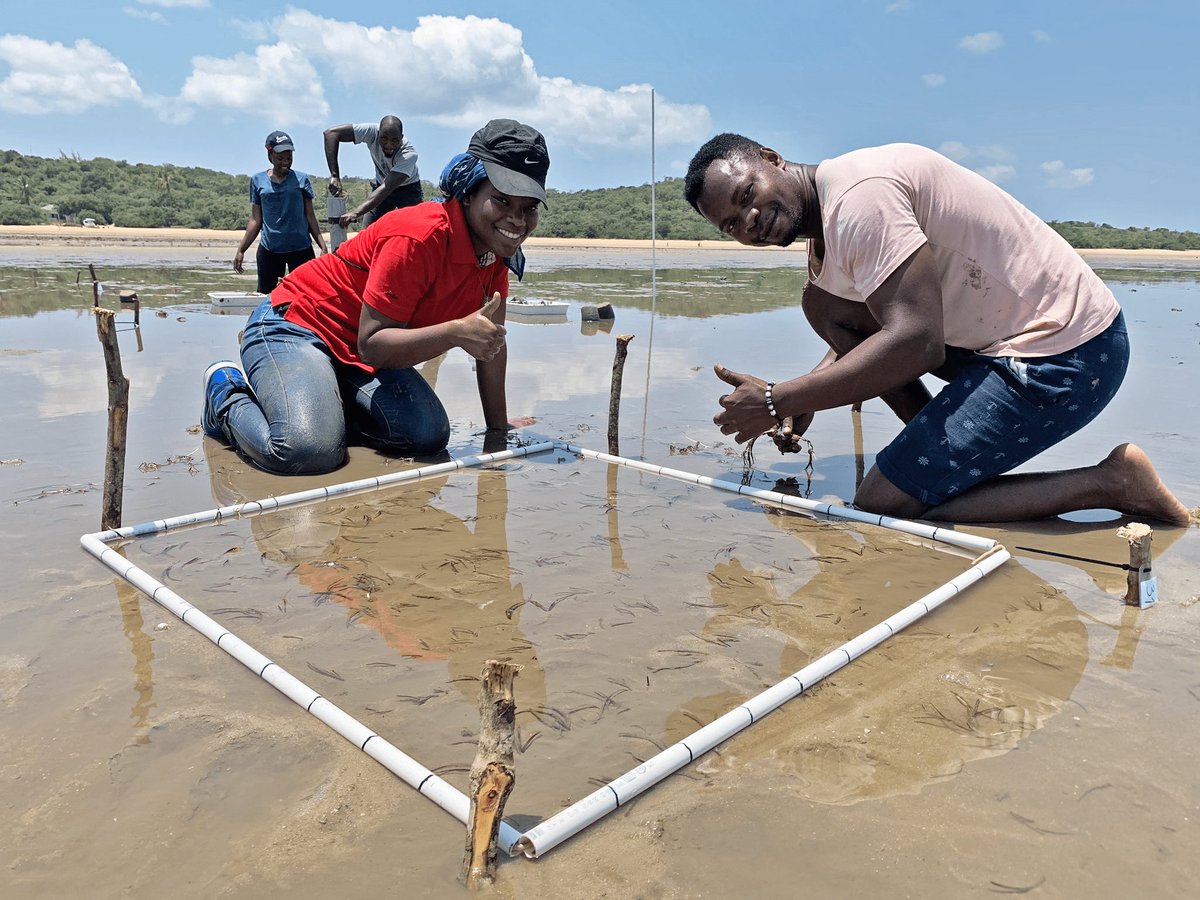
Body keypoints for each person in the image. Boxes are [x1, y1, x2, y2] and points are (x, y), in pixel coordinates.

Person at [684, 134, 1191, 526]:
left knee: (884, 500)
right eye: (731, 224)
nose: (750, 220)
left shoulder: (860, 197)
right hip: (999, 346)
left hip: (1070, 352)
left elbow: (916, 341)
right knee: (823, 307)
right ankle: (933, 461)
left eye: (748, 194)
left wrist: (779, 399)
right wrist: (807, 397)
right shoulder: (830, 245)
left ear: (772, 158)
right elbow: (861, 334)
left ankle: (1112, 483)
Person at [200, 118, 549, 476]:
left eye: (530, 207)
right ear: (468, 191)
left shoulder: (496, 255)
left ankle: (323, 406)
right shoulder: (418, 236)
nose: (517, 220)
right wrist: (453, 333)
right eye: (502, 200)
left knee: (428, 435)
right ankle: (224, 392)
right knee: (308, 451)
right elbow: (373, 344)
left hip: (356, 354)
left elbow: (492, 345)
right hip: (297, 326)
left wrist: (497, 428)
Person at [233, 130, 328, 294]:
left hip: (301, 250)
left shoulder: (302, 179)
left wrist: (322, 246)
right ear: (270, 156)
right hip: (270, 251)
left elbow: (310, 215)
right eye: (280, 158)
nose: (285, 162)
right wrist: (241, 249)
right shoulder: (257, 181)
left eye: (289, 158)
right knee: (267, 299)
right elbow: (256, 220)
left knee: (306, 296)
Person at [324, 116, 423, 226]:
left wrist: (356, 213)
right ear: (378, 134)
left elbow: (387, 187)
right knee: (368, 232)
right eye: (384, 138)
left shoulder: (409, 154)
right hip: (380, 188)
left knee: (414, 230)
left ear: (401, 137)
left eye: (395, 140)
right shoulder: (371, 131)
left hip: (407, 191)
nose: (389, 144)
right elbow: (331, 134)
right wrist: (334, 175)